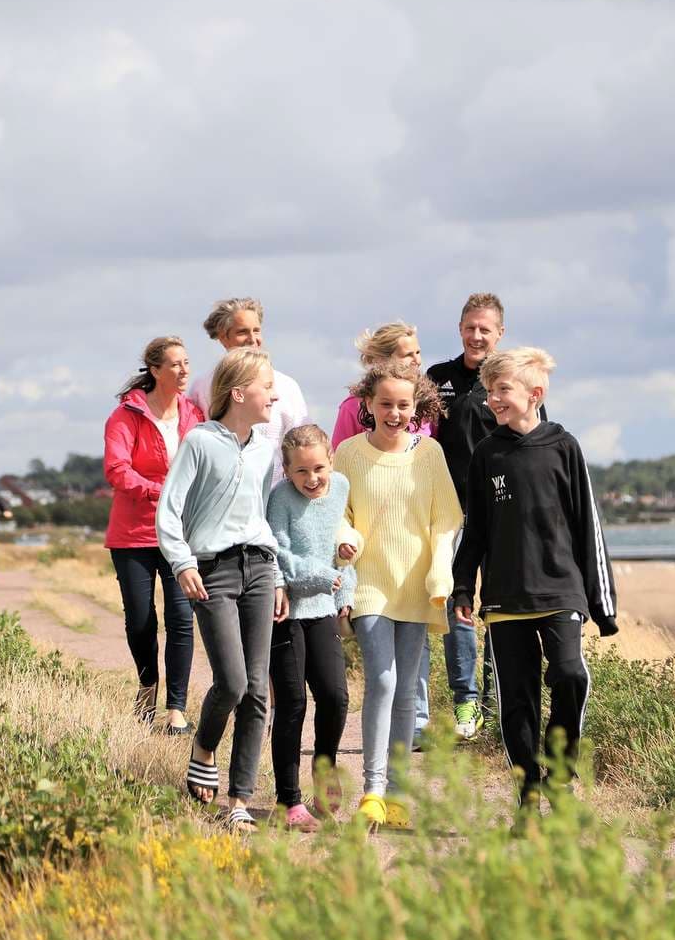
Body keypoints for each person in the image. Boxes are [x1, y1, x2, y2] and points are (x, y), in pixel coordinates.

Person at [451, 348, 617, 817]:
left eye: (502, 390)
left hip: (561, 590)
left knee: (570, 674)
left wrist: (602, 606)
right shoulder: (487, 455)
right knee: (516, 704)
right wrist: (464, 586)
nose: (492, 400)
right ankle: (527, 797)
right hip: (505, 599)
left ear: (535, 394)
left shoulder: (564, 447)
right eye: (489, 392)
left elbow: (589, 525)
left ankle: (560, 774)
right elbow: (475, 530)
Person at [158, 347, 289, 834]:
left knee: (258, 690)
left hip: (258, 566)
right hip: (213, 571)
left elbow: (260, 514)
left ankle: (238, 799)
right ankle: (204, 746)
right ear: (238, 393)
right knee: (231, 682)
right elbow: (169, 511)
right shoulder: (199, 441)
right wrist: (182, 562)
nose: (273, 394)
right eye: (266, 386)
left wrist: (275, 574)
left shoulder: (264, 446)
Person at [332, 361, 458, 831]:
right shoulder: (346, 453)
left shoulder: (430, 455)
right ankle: (373, 789)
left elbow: (446, 518)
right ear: (367, 404)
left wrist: (441, 572)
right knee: (382, 681)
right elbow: (335, 509)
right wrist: (345, 537)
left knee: (407, 689)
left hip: (416, 583)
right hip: (368, 581)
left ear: (416, 407)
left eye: (403, 404)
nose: (394, 412)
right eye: (385, 403)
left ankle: (400, 793)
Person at [423, 293, 539, 740]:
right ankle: (467, 700)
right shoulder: (439, 378)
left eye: (485, 329)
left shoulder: (513, 382)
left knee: (501, 609)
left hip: (503, 513)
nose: (476, 335)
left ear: (500, 334)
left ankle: (497, 702)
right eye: (470, 327)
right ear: (460, 328)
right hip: (450, 515)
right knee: (459, 608)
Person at [104, 336, 205, 733]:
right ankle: (147, 686)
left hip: (180, 533)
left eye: (186, 363)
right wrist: (158, 491)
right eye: (176, 364)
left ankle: (176, 708)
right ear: (155, 370)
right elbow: (117, 468)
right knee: (141, 621)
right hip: (133, 533)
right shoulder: (125, 416)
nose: (184, 371)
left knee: (182, 617)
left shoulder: (193, 414)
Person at [265, 424, 363, 831]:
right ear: (286, 471)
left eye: (318, 468)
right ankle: (289, 800)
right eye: (301, 471)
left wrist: (344, 593)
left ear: (331, 461)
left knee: (336, 696)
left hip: (323, 608)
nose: (312, 479)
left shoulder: (340, 487)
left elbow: (345, 546)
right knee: (292, 704)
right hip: (286, 610)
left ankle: (325, 772)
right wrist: (323, 575)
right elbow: (279, 554)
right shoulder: (280, 499)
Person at [186, 297, 310, 484]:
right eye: (242, 332)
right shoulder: (202, 387)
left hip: (275, 496)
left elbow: (302, 443)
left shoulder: (287, 387)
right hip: (221, 495)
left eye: (256, 330)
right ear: (223, 337)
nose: (252, 339)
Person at [331, 322, 433, 446]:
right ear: (382, 359)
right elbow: (340, 457)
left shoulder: (426, 401)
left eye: (417, 352)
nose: (418, 361)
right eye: (408, 355)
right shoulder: (353, 406)